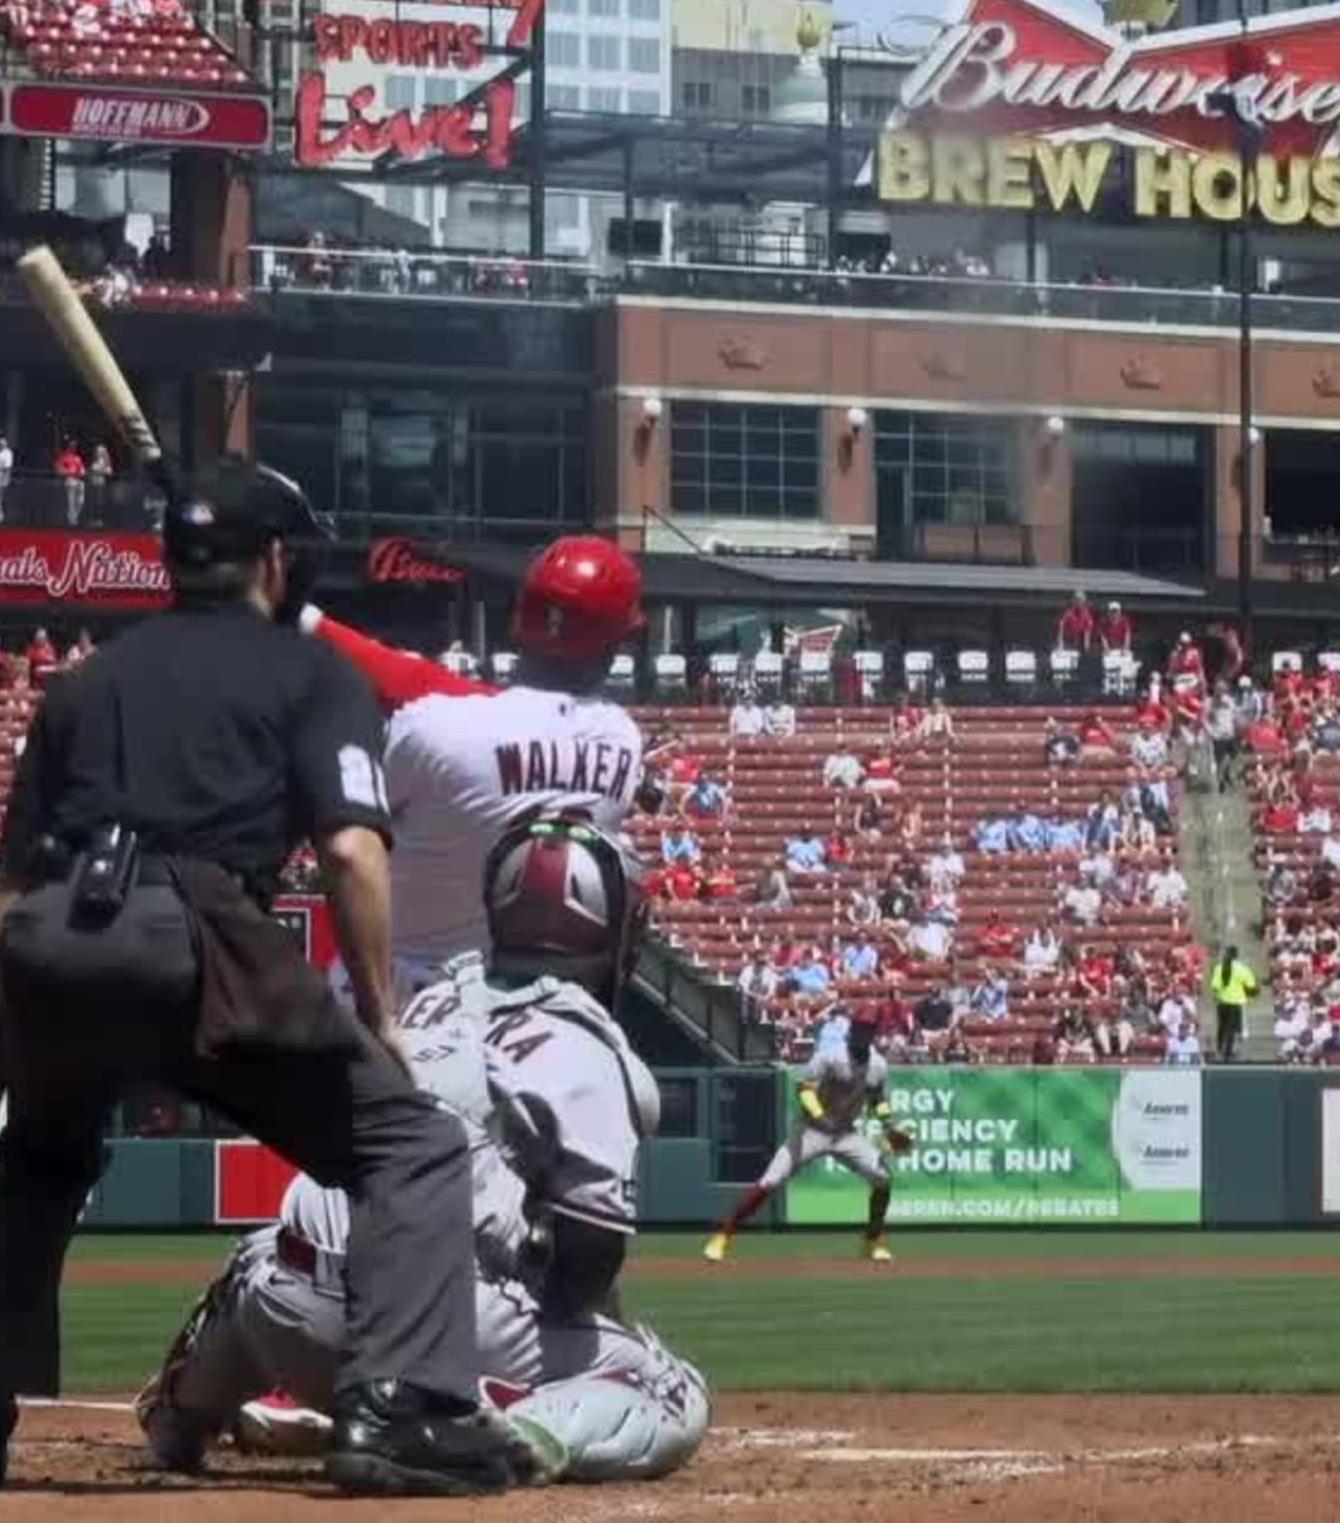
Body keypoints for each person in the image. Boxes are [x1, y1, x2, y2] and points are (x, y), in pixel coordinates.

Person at [0, 458, 515, 1496]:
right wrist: (380, 1015)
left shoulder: (83, 681)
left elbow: (6, 893)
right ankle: (399, 1412)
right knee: (411, 1147)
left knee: (37, 1160)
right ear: (276, 562)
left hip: (58, 940)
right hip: (197, 928)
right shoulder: (312, 674)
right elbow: (349, 852)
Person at [135, 817, 710, 1485]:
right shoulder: (589, 1047)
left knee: (265, 1252)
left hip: (284, 1314)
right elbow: (588, 1260)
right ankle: (514, 1429)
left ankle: (181, 1411)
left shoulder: (431, 1003)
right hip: (433, 1332)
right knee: (670, 1386)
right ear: (615, 934)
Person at [298, 536, 649, 995]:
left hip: (396, 996)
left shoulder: (432, 725)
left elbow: (348, 831)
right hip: (519, 1006)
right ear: (610, 648)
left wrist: (307, 622)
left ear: (520, 623)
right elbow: (479, 704)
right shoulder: (621, 737)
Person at [701, 1020, 911, 1264]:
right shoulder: (831, 1056)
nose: (862, 1034)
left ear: (873, 1033)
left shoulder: (878, 1065)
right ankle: (723, 1236)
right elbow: (804, 1088)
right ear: (851, 1031)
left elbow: (877, 1100)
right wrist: (820, 1116)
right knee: (771, 1180)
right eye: (859, 1028)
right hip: (811, 1130)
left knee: (883, 1179)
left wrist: (888, 1124)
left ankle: (872, 1242)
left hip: (845, 1133)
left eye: (868, 1029)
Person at [1206, 943, 1260, 1062]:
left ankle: (1220, 1050)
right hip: (1237, 1003)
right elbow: (1251, 986)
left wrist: (1219, 995)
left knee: (1222, 1028)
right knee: (1235, 1029)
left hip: (1222, 1003)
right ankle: (1230, 1053)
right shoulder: (1243, 969)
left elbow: (1215, 986)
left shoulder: (1219, 968)